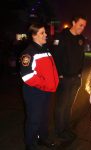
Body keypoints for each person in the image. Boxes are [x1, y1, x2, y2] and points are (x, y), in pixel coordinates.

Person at [19, 22, 59, 150]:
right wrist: (45, 84)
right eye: (42, 33)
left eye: (45, 32)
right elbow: (27, 76)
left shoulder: (45, 49)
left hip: (46, 91)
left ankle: (42, 138)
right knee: (34, 118)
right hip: (34, 92)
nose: (46, 35)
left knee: (44, 117)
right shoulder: (28, 53)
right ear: (34, 36)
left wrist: (54, 81)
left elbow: (50, 70)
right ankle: (30, 144)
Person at [51, 14, 87, 142]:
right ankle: (60, 131)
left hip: (76, 78)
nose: (82, 28)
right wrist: (60, 74)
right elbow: (55, 57)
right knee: (61, 106)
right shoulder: (61, 37)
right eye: (80, 25)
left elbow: (82, 57)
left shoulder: (81, 39)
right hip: (64, 78)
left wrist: (79, 73)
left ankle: (66, 128)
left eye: (84, 26)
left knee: (69, 106)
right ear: (73, 22)